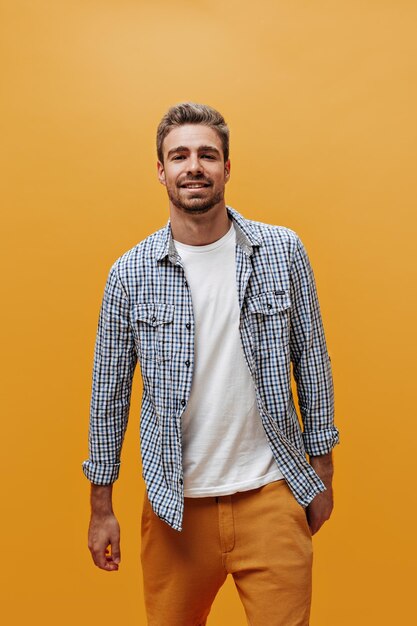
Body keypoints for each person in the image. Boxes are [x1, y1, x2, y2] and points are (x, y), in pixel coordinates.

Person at [83, 102, 339, 626]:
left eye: (207, 154)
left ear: (227, 166)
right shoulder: (129, 274)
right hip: (176, 503)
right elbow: (108, 396)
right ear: (161, 170)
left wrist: (322, 472)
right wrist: (101, 507)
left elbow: (312, 361)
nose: (193, 166)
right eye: (179, 156)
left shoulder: (281, 250)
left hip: (272, 494)